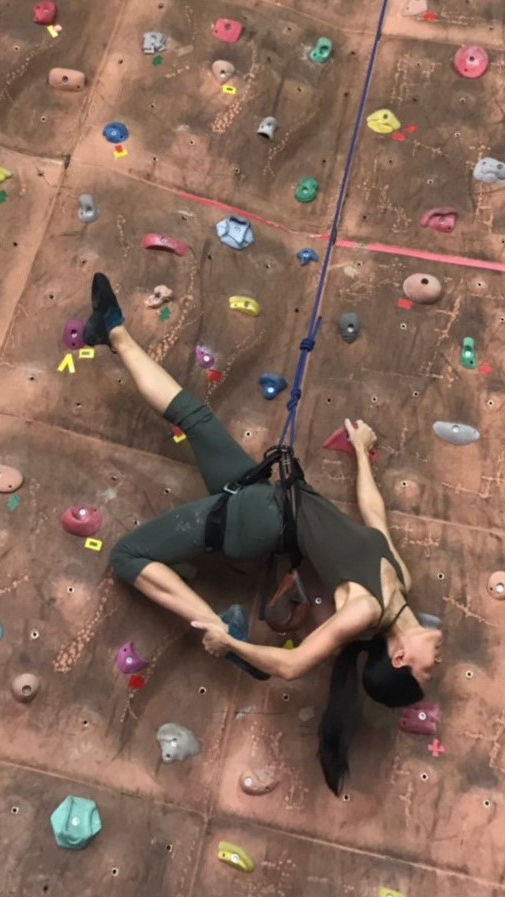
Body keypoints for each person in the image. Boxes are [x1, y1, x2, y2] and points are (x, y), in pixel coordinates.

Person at [84, 273, 443, 794]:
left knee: (127, 556)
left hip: (260, 521)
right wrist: (363, 454)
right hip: (268, 499)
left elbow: (294, 666)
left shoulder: (365, 611)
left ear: (402, 657)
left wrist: (238, 645)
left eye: (426, 674)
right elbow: (374, 516)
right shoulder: (400, 581)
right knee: (194, 415)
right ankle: (112, 331)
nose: (436, 668)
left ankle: (215, 628)